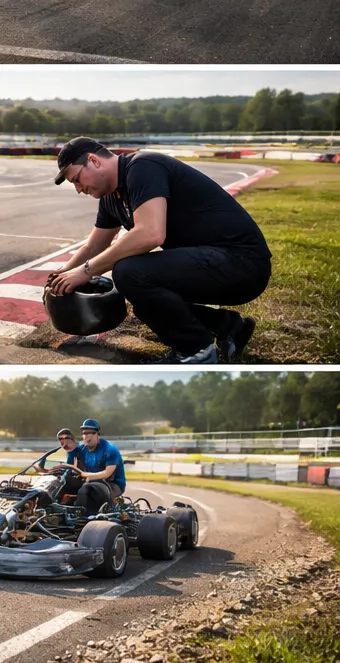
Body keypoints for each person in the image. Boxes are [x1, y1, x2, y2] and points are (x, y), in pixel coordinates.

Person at [48, 137, 270, 364]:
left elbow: (150, 234)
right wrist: (60, 276)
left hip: (243, 264)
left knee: (130, 272)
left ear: (94, 161)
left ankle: (195, 351)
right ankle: (228, 327)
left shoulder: (142, 167)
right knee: (146, 301)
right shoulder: (110, 197)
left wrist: (85, 272)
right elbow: (94, 245)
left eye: (76, 179)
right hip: (214, 262)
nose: (77, 189)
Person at [67, 419, 126, 515]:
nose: (85, 436)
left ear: (97, 434)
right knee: (65, 483)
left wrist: (85, 475)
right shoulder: (82, 449)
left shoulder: (110, 450)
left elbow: (107, 473)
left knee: (87, 489)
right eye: (84, 433)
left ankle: (80, 516)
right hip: (91, 481)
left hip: (112, 484)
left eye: (89, 433)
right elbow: (70, 456)